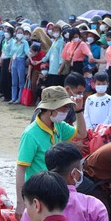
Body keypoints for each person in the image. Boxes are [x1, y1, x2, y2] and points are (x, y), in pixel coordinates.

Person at [15, 86, 77, 214]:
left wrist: (80, 111)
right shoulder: (30, 134)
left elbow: (82, 134)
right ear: (50, 109)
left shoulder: (59, 125)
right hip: (38, 194)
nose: (66, 111)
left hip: (56, 189)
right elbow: (21, 169)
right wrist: (20, 203)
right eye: (63, 107)